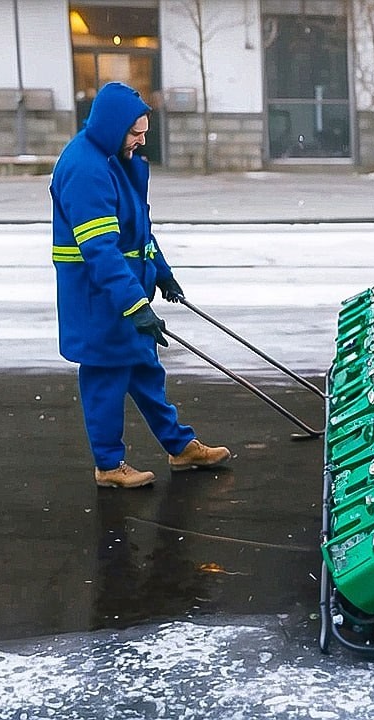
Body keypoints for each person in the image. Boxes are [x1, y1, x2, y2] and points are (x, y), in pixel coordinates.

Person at [50, 81, 230, 488]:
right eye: (136, 133)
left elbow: (138, 232)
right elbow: (100, 249)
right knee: (106, 382)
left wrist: (162, 272)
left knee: (146, 371)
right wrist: (135, 305)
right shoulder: (86, 169)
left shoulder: (114, 159)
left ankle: (180, 446)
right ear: (114, 127)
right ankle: (109, 466)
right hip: (99, 300)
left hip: (122, 293)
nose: (142, 140)